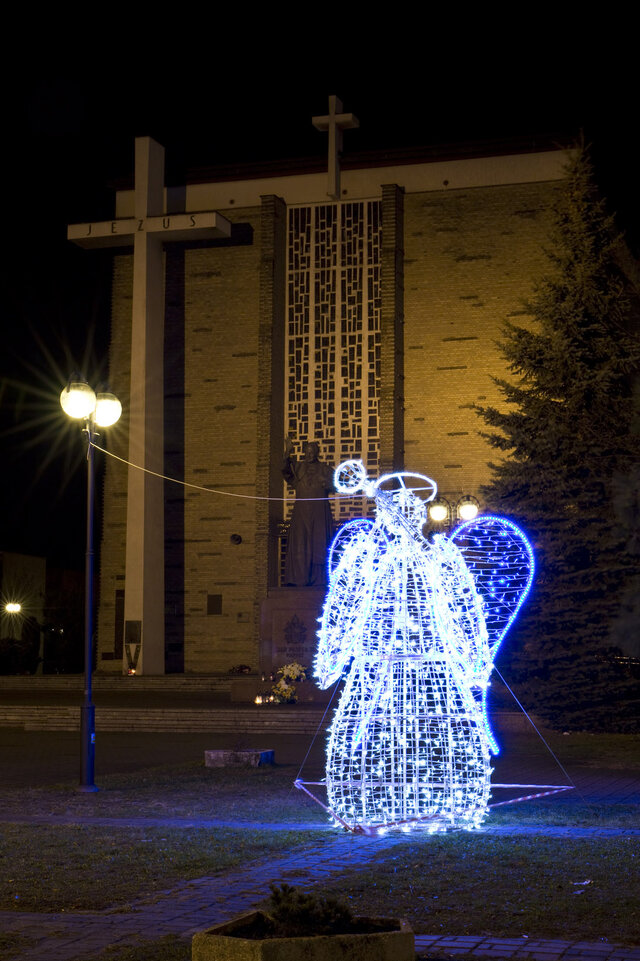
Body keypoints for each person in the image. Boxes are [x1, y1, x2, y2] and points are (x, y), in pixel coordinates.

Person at [282, 437, 334, 587]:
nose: (309, 455)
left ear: (317, 453)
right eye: (307, 452)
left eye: (312, 452)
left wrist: (328, 483)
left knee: (319, 544)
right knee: (300, 544)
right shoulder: (297, 467)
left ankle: (319, 580)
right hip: (301, 513)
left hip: (319, 513)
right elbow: (286, 472)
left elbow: (338, 483)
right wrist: (287, 453)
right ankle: (300, 579)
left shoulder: (325, 469)